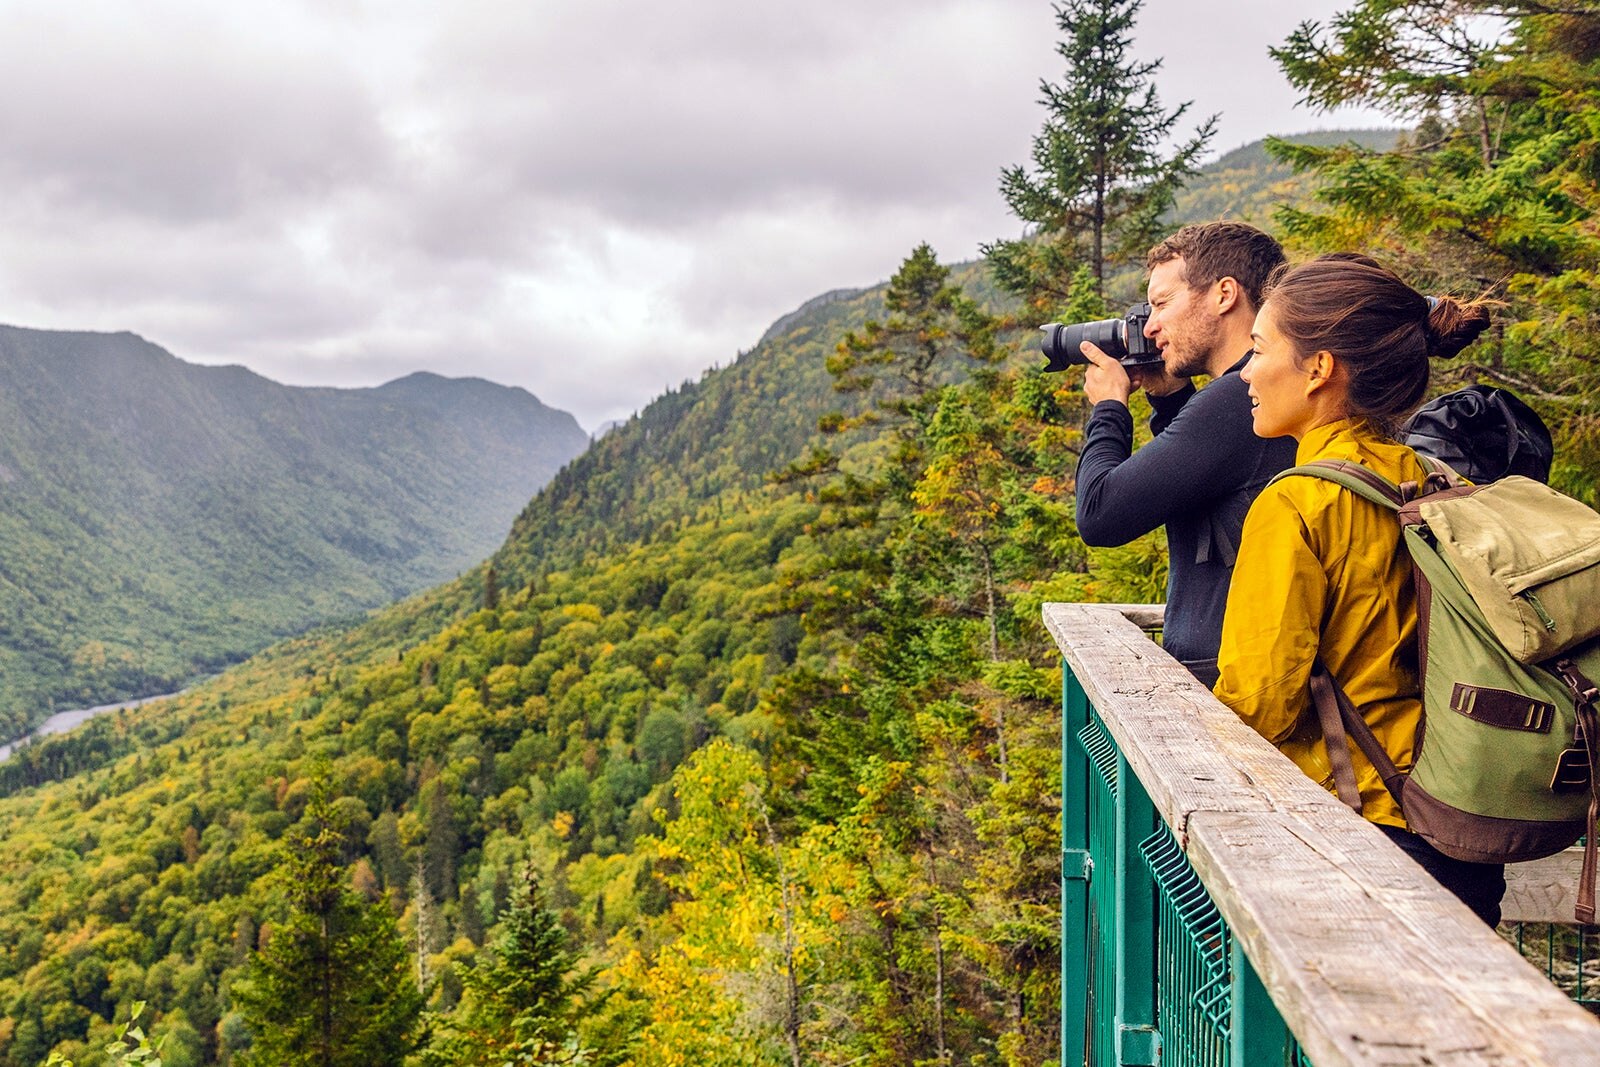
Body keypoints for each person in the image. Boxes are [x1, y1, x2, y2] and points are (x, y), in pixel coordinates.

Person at [1213, 254, 1506, 926]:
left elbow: (1258, 704)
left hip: (1357, 830)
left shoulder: (1297, 504)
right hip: (1456, 823)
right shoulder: (1432, 480)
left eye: (1259, 350)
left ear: (1318, 369)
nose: (1246, 374)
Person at [1075, 222, 1297, 686]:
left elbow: (1099, 514)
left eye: (1162, 303)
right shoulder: (1259, 394)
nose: (1151, 326)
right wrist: (1172, 397)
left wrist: (1109, 408)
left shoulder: (1238, 399)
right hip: (1247, 679)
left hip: (1233, 697)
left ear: (1224, 294)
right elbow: (1209, 484)